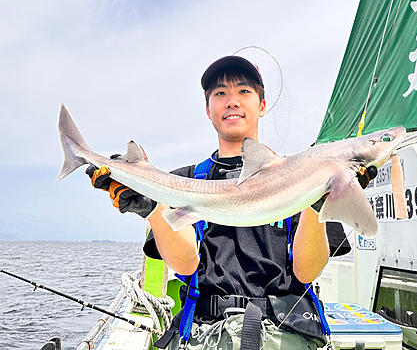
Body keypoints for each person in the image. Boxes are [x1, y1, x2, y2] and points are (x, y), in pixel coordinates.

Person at [87, 55, 375, 350]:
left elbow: (307, 272)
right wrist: (154, 209)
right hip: (204, 333)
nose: (232, 101)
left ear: (262, 105)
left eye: (244, 91)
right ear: (208, 109)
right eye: (220, 93)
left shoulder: (306, 174)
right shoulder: (183, 181)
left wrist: (316, 202)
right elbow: (185, 264)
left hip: (285, 333)